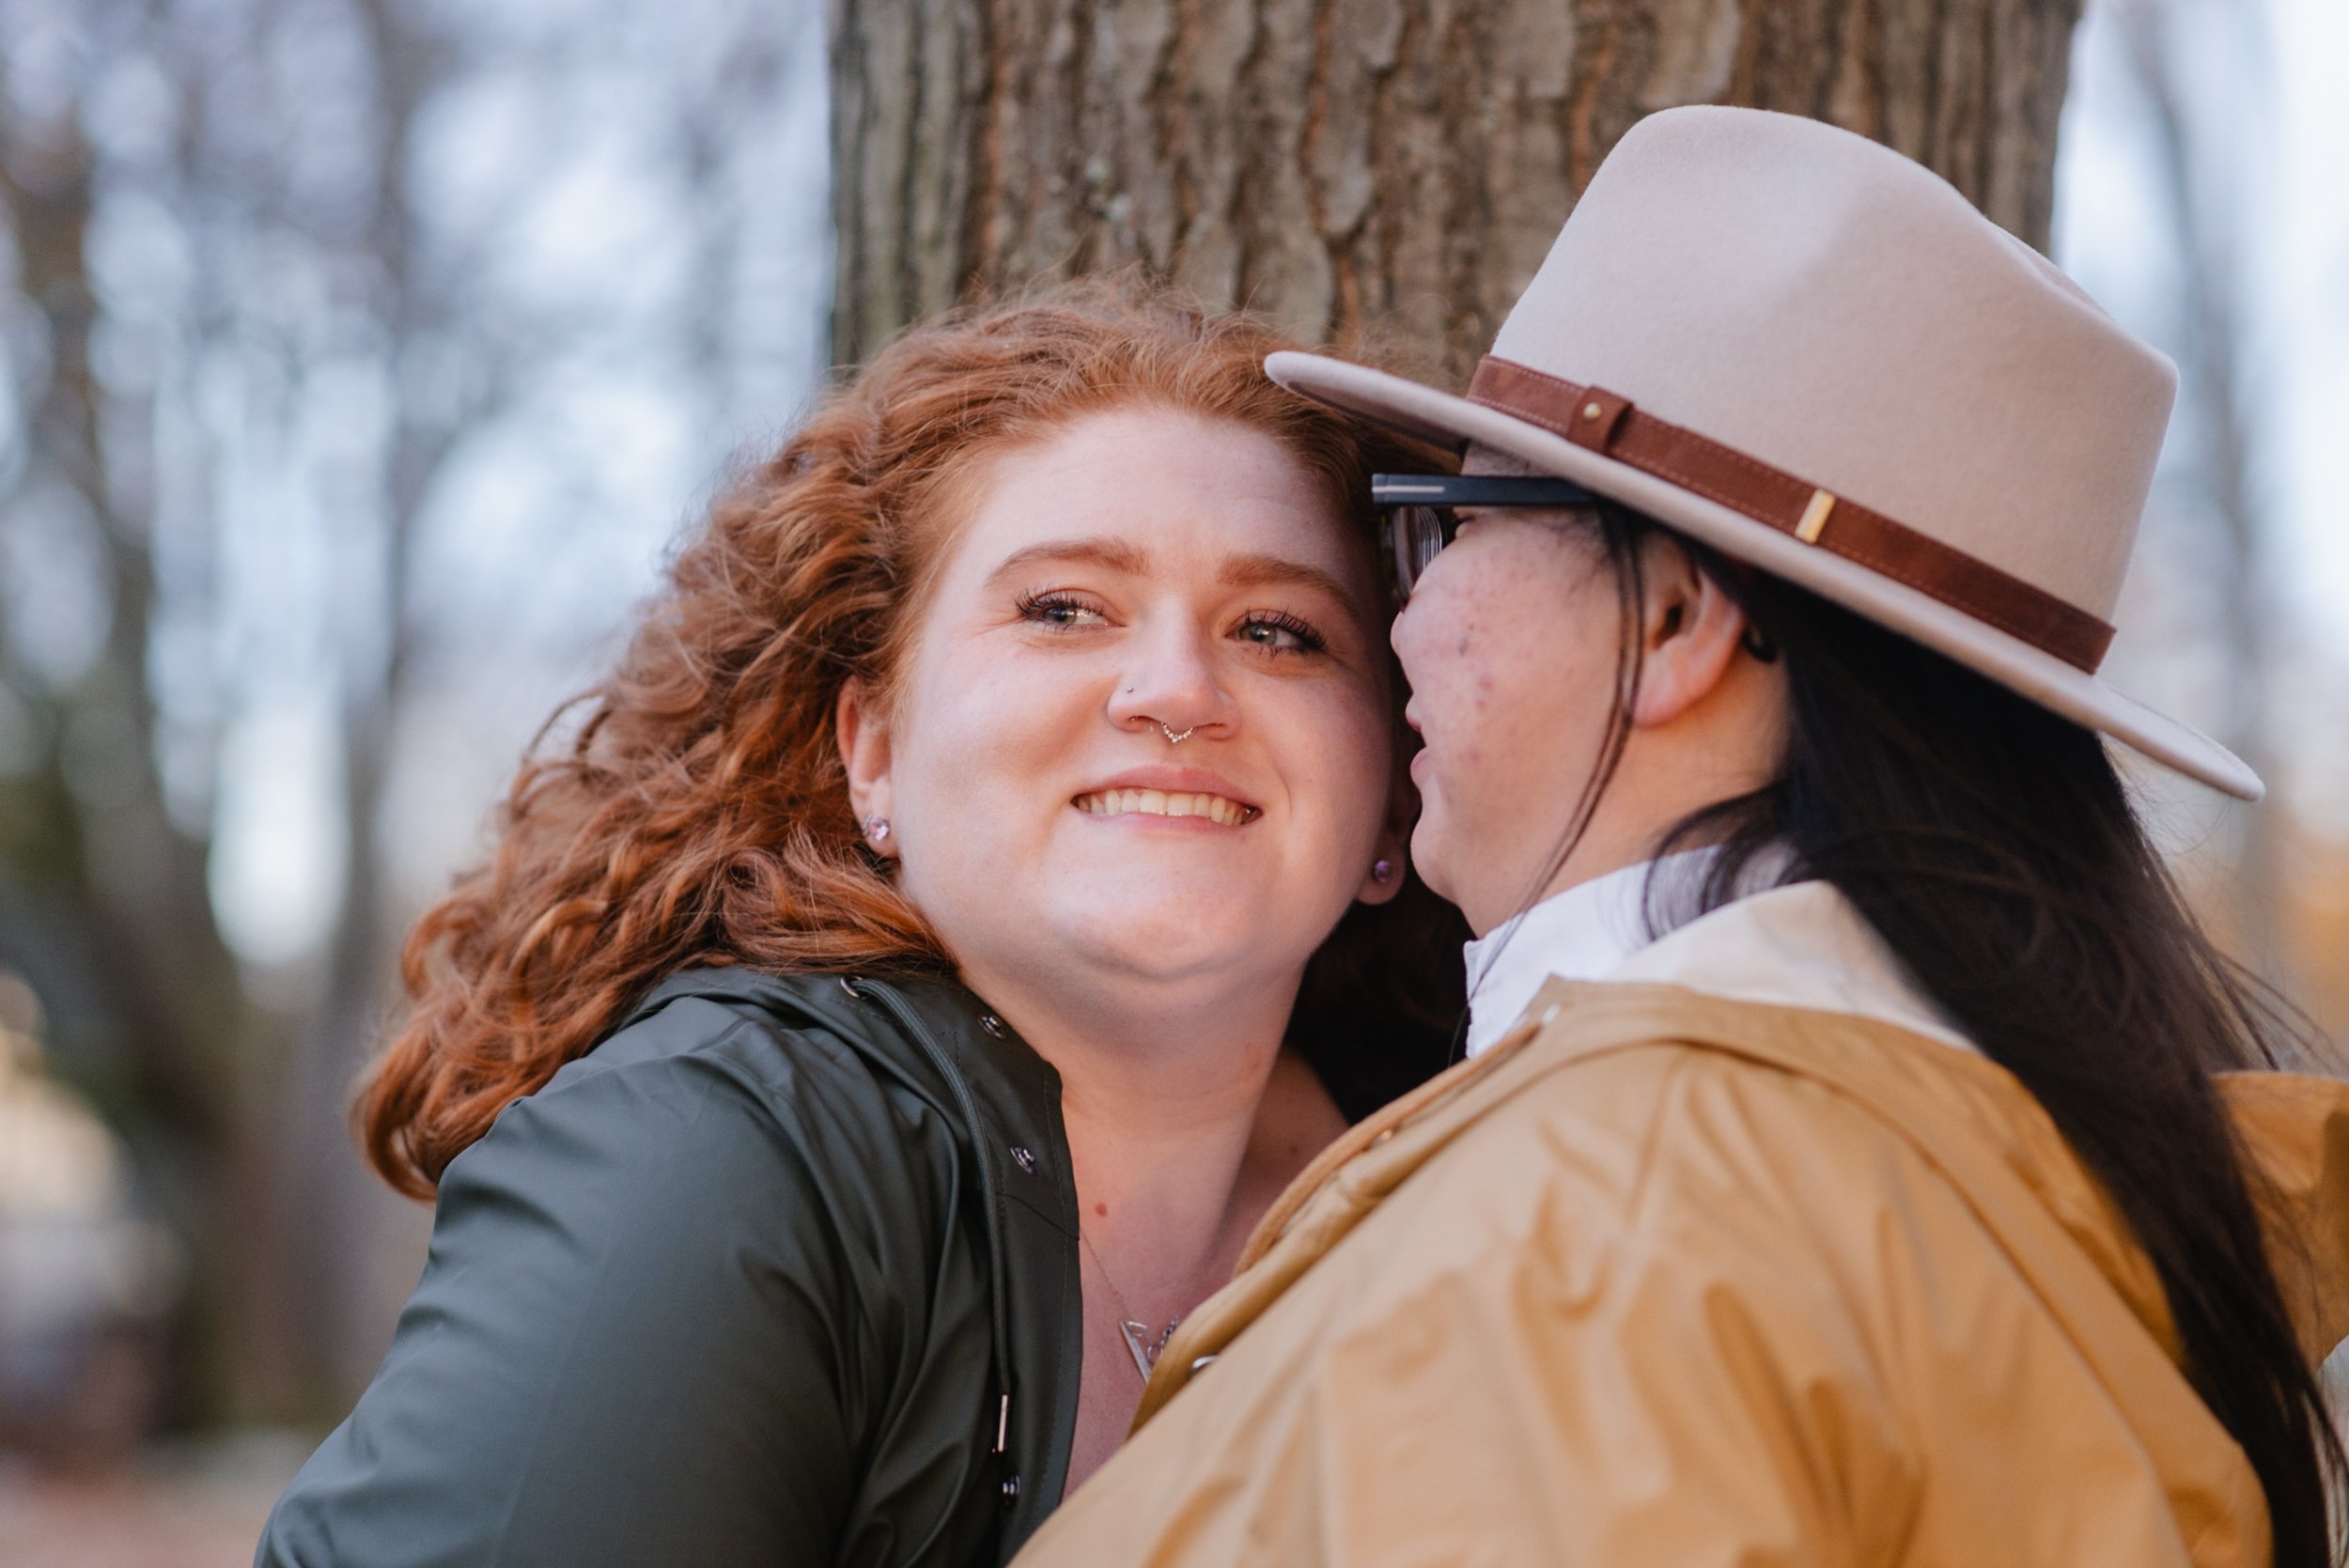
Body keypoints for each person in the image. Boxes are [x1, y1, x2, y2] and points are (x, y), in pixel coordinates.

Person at [1011, 108, 2349, 1568]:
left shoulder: (1611, 1218)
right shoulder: (2064, 1213)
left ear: (1672, 621)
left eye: (1450, 526)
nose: (1406, 617)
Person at [254, 280, 1465, 1568]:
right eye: (1064, 607)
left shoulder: (1487, 1191)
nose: (1177, 689)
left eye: (1278, 630)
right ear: (871, 750)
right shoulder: (713, 1161)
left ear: (1395, 781)